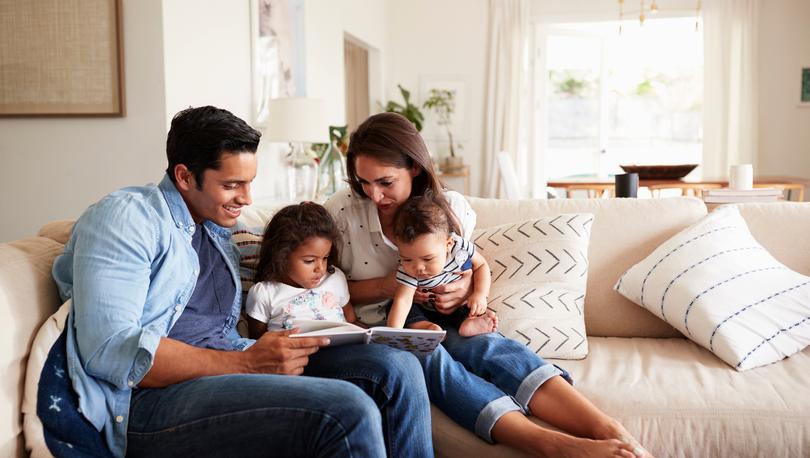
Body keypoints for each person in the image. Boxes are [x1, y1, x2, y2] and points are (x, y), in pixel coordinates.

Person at [51, 106, 432, 457]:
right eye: (232, 185)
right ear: (184, 176)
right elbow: (110, 349)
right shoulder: (127, 218)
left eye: (249, 183)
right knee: (346, 409)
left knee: (396, 366)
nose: (246, 198)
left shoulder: (217, 230)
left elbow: (290, 250)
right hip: (152, 400)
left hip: (235, 360)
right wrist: (246, 362)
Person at [325, 112, 651, 458]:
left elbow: (467, 268)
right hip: (381, 328)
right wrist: (386, 287)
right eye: (363, 182)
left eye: (386, 182)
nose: (374, 195)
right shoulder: (342, 213)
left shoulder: (449, 209)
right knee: (427, 355)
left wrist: (464, 293)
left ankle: (610, 429)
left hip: (442, 316)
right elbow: (322, 289)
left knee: (484, 345)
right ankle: (549, 443)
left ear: (415, 168)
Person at [387, 192, 497, 337]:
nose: (418, 267)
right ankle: (424, 326)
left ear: (448, 244)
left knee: (470, 306)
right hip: (425, 311)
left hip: (457, 306)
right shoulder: (408, 271)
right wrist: (393, 335)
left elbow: (481, 265)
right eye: (407, 259)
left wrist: (480, 294)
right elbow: (403, 300)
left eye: (427, 259)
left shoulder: (458, 249)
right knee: (393, 306)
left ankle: (469, 323)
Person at [245, 202, 357, 336]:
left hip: (343, 350)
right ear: (281, 256)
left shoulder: (335, 277)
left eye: (325, 258)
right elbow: (258, 342)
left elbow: (351, 321)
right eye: (309, 261)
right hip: (299, 354)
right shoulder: (264, 293)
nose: (320, 269)